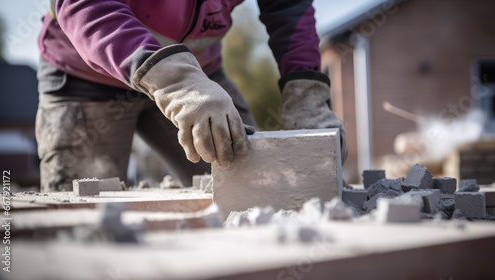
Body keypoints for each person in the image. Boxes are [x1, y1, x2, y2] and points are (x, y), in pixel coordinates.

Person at [36, 0, 347, 192]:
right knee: (87, 216)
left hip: (200, 75)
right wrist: (176, 82)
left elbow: (288, 7)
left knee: (257, 187)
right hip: (87, 80)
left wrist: (307, 92)